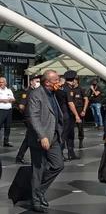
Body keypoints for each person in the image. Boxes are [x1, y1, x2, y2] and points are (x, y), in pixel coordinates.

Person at [27, 70, 64, 212]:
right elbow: (34, 117)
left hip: (53, 137)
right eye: (56, 80)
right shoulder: (36, 94)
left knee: (58, 165)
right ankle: (35, 202)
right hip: (40, 138)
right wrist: (42, 136)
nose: (59, 82)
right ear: (47, 82)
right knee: (38, 170)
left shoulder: (53, 94)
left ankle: (39, 191)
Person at [15, 75, 41, 164]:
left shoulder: (37, 91)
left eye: (39, 81)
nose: (38, 83)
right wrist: (26, 114)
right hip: (29, 118)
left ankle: (20, 156)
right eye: (36, 81)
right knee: (31, 137)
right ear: (31, 82)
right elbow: (21, 105)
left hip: (34, 118)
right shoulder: (27, 92)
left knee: (30, 137)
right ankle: (21, 156)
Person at [66, 73, 89, 149]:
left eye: (75, 80)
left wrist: (84, 110)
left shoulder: (81, 89)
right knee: (70, 128)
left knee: (80, 127)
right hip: (71, 110)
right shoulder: (70, 89)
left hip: (79, 110)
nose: (73, 81)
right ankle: (69, 144)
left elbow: (86, 100)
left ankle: (80, 141)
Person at [0, 77, 15, 147]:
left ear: (5, 83)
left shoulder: (9, 90)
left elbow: (13, 99)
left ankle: (6, 142)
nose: (1, 83)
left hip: (9, 111)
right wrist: (3, 100)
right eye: (0, 82)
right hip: (1, 111)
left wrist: (10, 100)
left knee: (8, 126)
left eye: (2, 82)